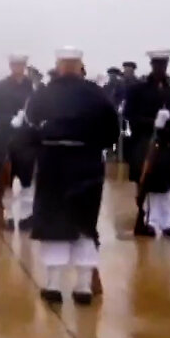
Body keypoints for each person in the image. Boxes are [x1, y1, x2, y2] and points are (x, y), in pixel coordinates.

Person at [27, 47, 119, 305]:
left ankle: (54, 285)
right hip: (87, 164)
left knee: (54, 223)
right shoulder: (97, 94)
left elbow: (30, 127)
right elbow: (113, 131)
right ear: (80, 66)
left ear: (58, 65)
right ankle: (83, 287)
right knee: (84, 225)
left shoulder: (43, 94)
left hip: (53, 164)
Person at [123, 49, 170, 238]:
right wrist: (151, 122)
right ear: (152, 65)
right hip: (146, 139)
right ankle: (150, 221)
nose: (160, 68)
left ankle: (168, 222)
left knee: (169, 181)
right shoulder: (138, 88)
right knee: (148, 180)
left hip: (169, 140)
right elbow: (129, 114)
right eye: (156, 64)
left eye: (163, 64)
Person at [0, 55, 37, 229]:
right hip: (5, 139)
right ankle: (6, 215)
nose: (18, 67)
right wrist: (7, 121)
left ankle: (27, 218)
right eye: (15, 64)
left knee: (27, 181)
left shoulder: (33, 87)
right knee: (5, 180)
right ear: (10, 66)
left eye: (21, 64)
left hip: (27, 140)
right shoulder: (0, 87)